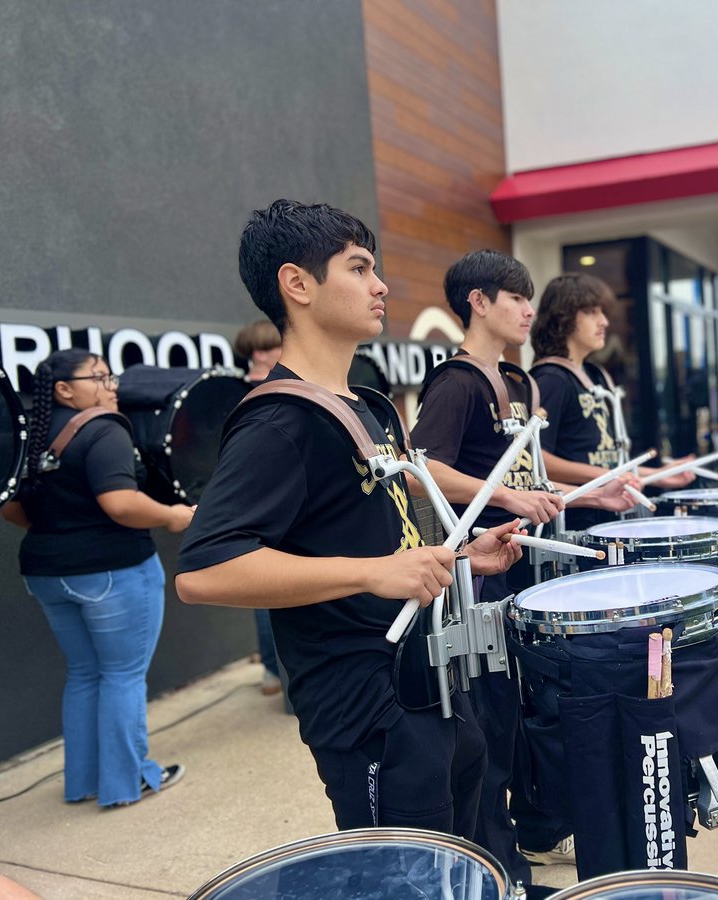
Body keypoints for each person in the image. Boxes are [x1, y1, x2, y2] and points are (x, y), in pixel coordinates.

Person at [175, 201, 524, 842]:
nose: (380, 285)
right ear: (297, 284)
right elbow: (204, 570)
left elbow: (386, 533)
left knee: (467, 856)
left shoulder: (368, 406)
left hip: (431, 677)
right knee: (406, 874)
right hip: (367, 707)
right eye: (358, 268)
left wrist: (461, 554)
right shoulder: (279, 421)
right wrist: (373, 574)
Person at [410, 252, 635, 889]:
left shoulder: (519, 383)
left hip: (520, 573)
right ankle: (497, 869)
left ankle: (519, 844)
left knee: (515, 722)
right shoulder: (456, 382)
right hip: (474, 583)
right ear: (477, 302)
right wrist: (505, 498)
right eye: (514, 296)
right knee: (485, 731)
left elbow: (530, 477)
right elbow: (424, 472)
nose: (527, 309)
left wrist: (592, 493)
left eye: (530, 297)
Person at [0, 349, 191, 808]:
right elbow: (120, 504)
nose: (112, 387)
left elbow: (9, 507)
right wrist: (172, 516)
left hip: (46, 570)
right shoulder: (104, 428)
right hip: (113, 570)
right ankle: (127, 782)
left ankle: (83, 782)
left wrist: (61, 531)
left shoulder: (30, 433)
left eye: (111, 377)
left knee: (85, 674)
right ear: (65, 389)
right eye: (99, 377)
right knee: (123, 677)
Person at [529, 272, 692, 531]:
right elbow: (537, 460)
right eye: (592, 312)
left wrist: (661, 475)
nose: (604, 321)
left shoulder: (596, 375)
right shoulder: (551, 379)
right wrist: (609, 478)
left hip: (608, 515)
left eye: (602, 312)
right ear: (564, 316)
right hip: (575, 526)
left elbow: (610, 464)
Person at [233, 319, 286, 697]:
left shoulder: (233, 392)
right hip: (273, 500)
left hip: (246, 500)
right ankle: (278, 672)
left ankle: (272, 671)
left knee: (262, 589)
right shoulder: (273, 392)